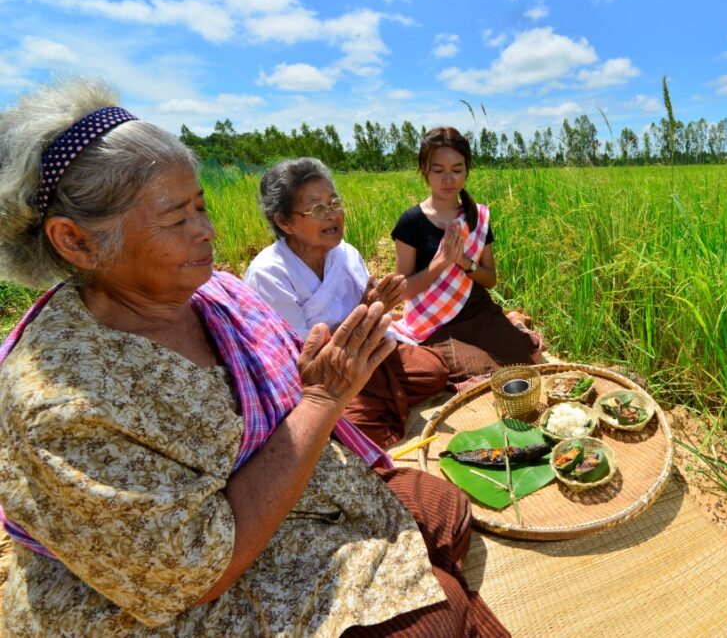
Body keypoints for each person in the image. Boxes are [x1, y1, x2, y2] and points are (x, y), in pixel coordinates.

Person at [0, 79, 508, 637]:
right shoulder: (57, 404)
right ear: (76, 241)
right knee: (440, 613)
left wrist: (318, 374)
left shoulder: (217, 293)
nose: (208, 232)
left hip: (297, 481)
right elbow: (195, 572)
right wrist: (323, 397)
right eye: (177, 219)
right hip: (199, 585)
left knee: (446, 511)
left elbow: (290, 372)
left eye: (202, 207)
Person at [244, 158, 449, 448]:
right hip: (325, 376)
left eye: (334, 202)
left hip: (366, 351)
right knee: (363, 430)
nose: (332, 215)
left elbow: (371, 317)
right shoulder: (269, 273)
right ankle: (370, 403)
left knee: (435, 371)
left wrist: (378, 307)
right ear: (284, 222)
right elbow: (301, 359)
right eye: (317, 208)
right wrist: (364, 310)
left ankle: (380, 397)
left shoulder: (346, 253)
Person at [391, 127, 541, 381]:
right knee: (473, 372)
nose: (448, 179)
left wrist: (464, 263)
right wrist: (441, 263)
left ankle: (511, 322)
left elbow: (491, 279)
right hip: (437, 321)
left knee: (518, 358)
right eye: (438, 171)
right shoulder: (411, 222)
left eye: (457, 170)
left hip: (477, 311)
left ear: (467, 170)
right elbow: (404, 290)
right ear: (425, 171)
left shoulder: (476, 217)